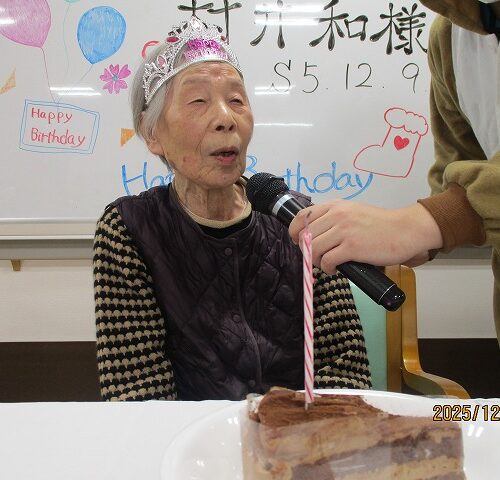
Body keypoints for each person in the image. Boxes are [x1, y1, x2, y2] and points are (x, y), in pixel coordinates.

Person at [93, 16, 371, 401]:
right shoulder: (129, 230)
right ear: (152, 133)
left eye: (237, 100)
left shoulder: (297, 217)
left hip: (295, 431)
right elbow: (138, 394)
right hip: (186, 436)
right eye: (198, 101)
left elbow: (347, 371)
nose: (226, 119)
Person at [289, 0, 500, 345]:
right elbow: (459, 160)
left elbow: (452, 209)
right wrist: (425, 240)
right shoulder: (450, 36)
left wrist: (424, 223)